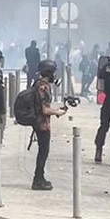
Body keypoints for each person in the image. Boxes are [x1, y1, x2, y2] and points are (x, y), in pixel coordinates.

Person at [31, 60, 67, 190]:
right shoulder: (43, 87)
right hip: (42, 124)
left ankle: (40, 177)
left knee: (43, 151)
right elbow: (44, 110)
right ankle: (38, 179)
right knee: (43, 152)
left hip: (40, 122)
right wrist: (58, 112)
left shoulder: (39, 84)